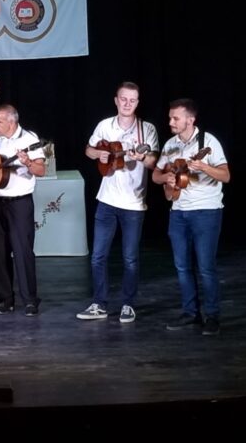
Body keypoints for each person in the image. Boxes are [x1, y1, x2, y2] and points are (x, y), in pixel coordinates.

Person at [77, 81, 159, 323]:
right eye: (124, 99)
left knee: (130, 258)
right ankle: (99, 303)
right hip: (106, 200)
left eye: (132, 100)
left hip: (134, 203)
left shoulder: (146, 130)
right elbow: (89, 149)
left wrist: (141, 157)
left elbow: (154, 162)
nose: (127, 104)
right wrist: (99, 154)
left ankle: (128, 304)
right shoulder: (105, 125)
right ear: (116, 100)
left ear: (137, 102)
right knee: (97, 256)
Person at [152, 98, 230, 336]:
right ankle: (190, 313)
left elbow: (226, 176)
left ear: (190, 120)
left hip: (206, 212)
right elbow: (156, 175)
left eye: (175, 118)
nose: (170, 122)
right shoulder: (170, 144)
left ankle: (212, 316)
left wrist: (204, 167)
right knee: (182, 266)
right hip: (178, 211)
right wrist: (166, 179)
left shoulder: (208, 142)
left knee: (206, 267)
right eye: (170, 117)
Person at [0, 104, 46, 316]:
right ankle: (6, 299)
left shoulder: (29, 139)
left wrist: (28, 162)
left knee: (23, 251)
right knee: (0, 252)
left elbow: (41, 170)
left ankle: (30, 300)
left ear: (12, 122)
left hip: (19, 204)